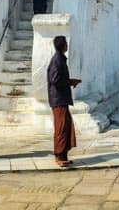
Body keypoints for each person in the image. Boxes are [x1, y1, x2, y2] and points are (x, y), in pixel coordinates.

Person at [47, 36, 81, 167]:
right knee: (61, 127)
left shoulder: (60, 59)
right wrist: (70, 82)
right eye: (66, 43)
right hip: (58, 99)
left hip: (61, 99)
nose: (67, 45)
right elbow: (55, 80)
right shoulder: (57, 61)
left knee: (66, 126)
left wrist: (71, 81)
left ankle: (63, 155)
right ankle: (59, 156)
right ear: (63, 45)